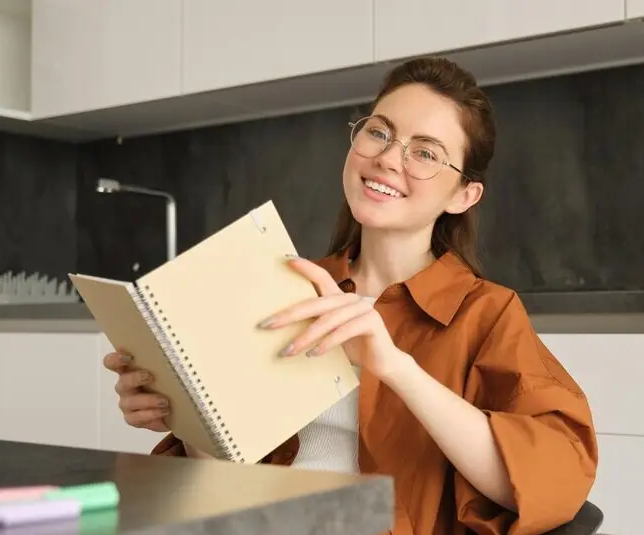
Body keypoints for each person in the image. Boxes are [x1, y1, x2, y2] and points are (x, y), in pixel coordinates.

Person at [102, 56, 599, 535]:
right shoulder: (285, 284)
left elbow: (553, 481)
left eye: (424, 152)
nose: (386, 158)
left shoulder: (485, 313)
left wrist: (395, 366)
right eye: (379, 132)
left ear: (463, 195)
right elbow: (228, 481)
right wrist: (183, 411)